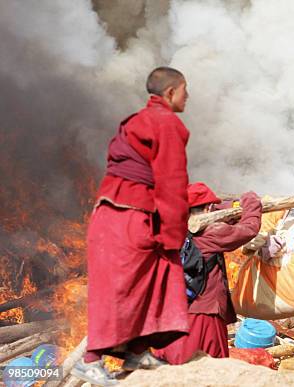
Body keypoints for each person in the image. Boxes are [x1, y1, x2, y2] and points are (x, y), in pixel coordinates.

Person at [73, 67, 191, 386]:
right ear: (170, 93)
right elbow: (172, 183)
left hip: (111, 214)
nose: (188, 97)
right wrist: (173, 233)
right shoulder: (166, 123)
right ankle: (91, 360)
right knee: (119, 287)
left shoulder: (136, 120)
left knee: (154, 278)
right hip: (128, 217)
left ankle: (137, 349)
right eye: (184, 90)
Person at [154, 183, 262, 364]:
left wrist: (230, 205)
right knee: (207, 367)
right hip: (203, 313)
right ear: (208, 208)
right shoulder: (212, 232)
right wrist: (252, 201)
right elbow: (250, 228)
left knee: (170, 367)